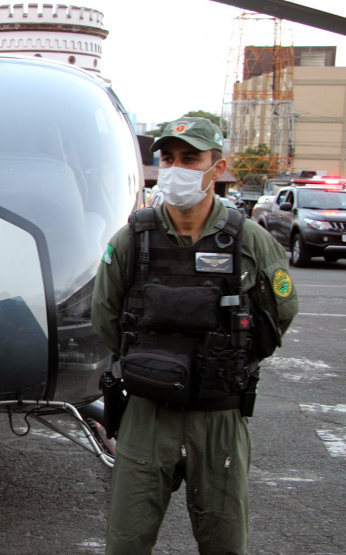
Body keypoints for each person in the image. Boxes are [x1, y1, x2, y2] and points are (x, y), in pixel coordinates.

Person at [92, 116, 299, 554]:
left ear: (216, 167)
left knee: (224, 541)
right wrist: (150, 361)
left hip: (218, 416)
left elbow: (280, 312)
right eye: (168, 158)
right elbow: (105, 315)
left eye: (190, 159)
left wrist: (230, 363)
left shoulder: (249, 240)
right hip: (148, 413)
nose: (176, 168)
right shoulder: (133, 238)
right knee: (125, 541)